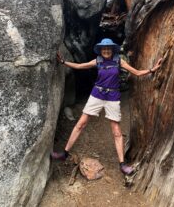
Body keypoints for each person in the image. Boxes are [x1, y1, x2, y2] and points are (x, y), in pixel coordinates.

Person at [51, 38, 162, 175]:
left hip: (112, 97)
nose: (106, 50)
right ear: (101, 50)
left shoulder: (118, 61)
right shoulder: (97, 61)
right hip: (97, 94)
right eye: (104, 49)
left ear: (112, 49)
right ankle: (64, 154)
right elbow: (80, 66)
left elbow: (137, 72)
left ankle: (122, 165)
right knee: (81, 123)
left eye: (108, 48)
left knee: (116, 130)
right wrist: (63, 62)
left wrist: (152, 69)